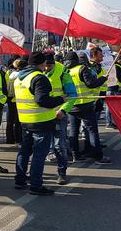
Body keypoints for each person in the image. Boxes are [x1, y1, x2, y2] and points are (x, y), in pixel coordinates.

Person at [14, 52, 65, 195]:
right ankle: (36, 186)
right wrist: (60, 99)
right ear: (41, 64)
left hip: (25, 121)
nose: (46, 67)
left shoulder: (20, 77)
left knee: (24, 151)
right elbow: (42, 100)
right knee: (39, 155)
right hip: (40, 121)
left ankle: (20, 180)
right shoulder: (39, 78)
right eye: (45, 64)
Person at [64, 52, 111, 164]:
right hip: (85, 104)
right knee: (92, 131)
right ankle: (98, 157)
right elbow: (91, 83)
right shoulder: (82, 68)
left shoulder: (66, 71)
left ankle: (76, 155)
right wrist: (103, 79)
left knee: (73, 132)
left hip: (71, 105)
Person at [44, 52, 76, 185]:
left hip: (58, 115)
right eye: (44, 66)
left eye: (48, 66)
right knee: (41, 146)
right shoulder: (38, 73)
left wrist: (63, 110)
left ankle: (62, 172)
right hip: (42, 116)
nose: (46, 68)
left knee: (59, 145)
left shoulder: (64, 74)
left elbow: (72, 95)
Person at [106, 56, 121, 129]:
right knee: (116, 107)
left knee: (110, 107)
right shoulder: (116, 67)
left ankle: (110, 122)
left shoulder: (111, 66)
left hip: (112, 88)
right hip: (119, 88)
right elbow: (120, 78)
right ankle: (113, 122)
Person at [6, 59, 25, 145]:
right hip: (19, 99)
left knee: (10, 121)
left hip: (10, 98)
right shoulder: (23, 75)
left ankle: (9, 139)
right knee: (18, 122)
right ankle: (18, 139)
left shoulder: (8, 73)